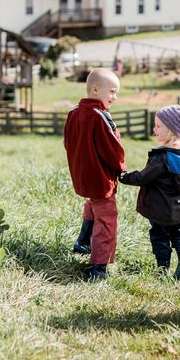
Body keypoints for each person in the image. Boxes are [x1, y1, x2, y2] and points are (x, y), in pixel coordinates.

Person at [119, 105, 180, 281]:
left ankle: (163, 267)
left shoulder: (162, 158)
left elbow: (142, 177)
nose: (154, 129)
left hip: (160, 208)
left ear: (171, 130)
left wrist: (123, 176)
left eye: (158, 126)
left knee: (159, 235)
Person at [64, 68, 126, 281]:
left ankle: (83, 242)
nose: (114, 98)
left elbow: (68, 143)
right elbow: (113, 149)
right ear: (95, 89)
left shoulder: (73, 113)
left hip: (82, 175)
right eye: (112, 92)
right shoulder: (101, 117)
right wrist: (121, 170)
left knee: (92, 204)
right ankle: (98, 266)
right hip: (101, 179)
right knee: (107, 218)